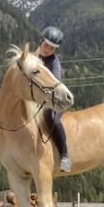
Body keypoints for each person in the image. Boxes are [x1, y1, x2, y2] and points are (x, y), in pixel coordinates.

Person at [37, 25, 71, 172]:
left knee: (51, 117)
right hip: (36, 99)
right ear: (41, 41)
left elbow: (55, 82)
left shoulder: (54, 63)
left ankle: (64, 156)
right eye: (46, 45)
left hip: (53, 100)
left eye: (51, 48)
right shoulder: (34, 57)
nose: (47, 50)